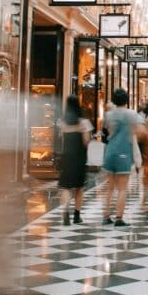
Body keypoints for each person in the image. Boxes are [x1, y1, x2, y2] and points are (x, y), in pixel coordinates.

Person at [102, 88, 140, 227]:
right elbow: (135, 132)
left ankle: (106, 216)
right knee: (122, 188)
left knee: (110, 187)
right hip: (124, 152)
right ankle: (119, 218)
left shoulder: (108, 115)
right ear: (127, 100)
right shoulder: (132, 114)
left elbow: (106, 131)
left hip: (110, 152)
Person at [58, 95, 92, 225]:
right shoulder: (84, 123)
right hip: (79, 158)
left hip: (67, 157)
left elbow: (62, 140)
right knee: (79, 187)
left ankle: (65, 213)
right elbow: (86, 141)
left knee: (66, 187)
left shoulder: (62, 122)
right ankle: (77, 216)